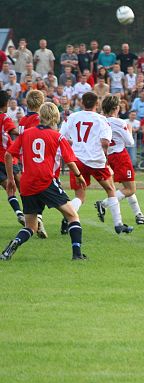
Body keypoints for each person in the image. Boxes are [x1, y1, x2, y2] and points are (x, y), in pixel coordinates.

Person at [0, 102, 87, 261]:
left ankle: (11, 247)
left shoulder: (25, 134)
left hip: (27, 183)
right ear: (55, 118)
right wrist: (79, 175)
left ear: (40, 116)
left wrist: (11, 179)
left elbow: (8, 155)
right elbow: (69, 160)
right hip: (46, 181)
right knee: (73, 216)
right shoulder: (57, 136)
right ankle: (77, 254)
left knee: (30, 227)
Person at [60, 92, 133, 234]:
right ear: (97, 104)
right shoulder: (101, 120)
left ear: (82, 103)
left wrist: (74, 144)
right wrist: (105, 157)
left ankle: (67, 217)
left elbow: (61, 137)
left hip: (77, 161)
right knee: (110, 189)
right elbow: (105, 141)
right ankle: (118, 224)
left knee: (80, 196)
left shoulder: (72, 117)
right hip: (96, 161)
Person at [94, 96, 144, 226]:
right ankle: (103, 204)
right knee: (130, 189)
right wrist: (130, 129)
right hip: (120, 155)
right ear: (116, 108)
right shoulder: (120, 122)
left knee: (127, 187)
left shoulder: (100, 120)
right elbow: (130, 142)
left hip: (110, 156)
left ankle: (139, 215)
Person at [16, 90, 49, 238]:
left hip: (24, 159)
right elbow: (37, 137)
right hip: (35, 159)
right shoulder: (37, 118)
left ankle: (35, 219)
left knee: (34, 190)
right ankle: (39, 219)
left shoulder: (22, 120)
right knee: (45, 187)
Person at [0, 90, 25, 226]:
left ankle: (18, 213)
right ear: (5, 104)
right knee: (22, 186)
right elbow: (14, 131)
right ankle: (34, 216)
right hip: (8, 157)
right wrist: (28, 132)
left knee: (8, 187)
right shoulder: (4, 117)